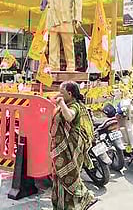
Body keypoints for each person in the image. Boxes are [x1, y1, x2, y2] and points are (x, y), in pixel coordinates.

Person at [50, 81, 97, 210]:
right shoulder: (65, 104)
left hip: (71, 148)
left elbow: (69, 117)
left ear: (69, 94)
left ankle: (82, 199)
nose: (59, 94)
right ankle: (59, 206)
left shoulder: (74, 106)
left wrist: (61, 104)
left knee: (70, 177)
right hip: (60, 148)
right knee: (58, 177)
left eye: (62, 92)